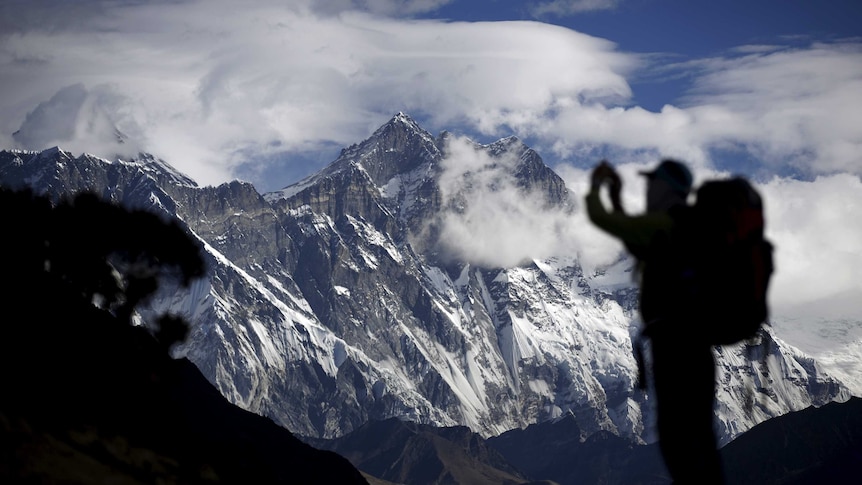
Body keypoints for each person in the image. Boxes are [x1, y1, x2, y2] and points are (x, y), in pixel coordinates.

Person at [585, 159, 724, 484]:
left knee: (677, 443)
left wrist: (596, 188)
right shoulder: (692, 229)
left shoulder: (660, 224)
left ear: (666, 189)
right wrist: (618, 196)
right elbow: (636, 244)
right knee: (701, 442)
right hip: (699, 350)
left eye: (652, 185)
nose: (647, 190)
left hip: (672, 347)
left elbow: (603, 219)